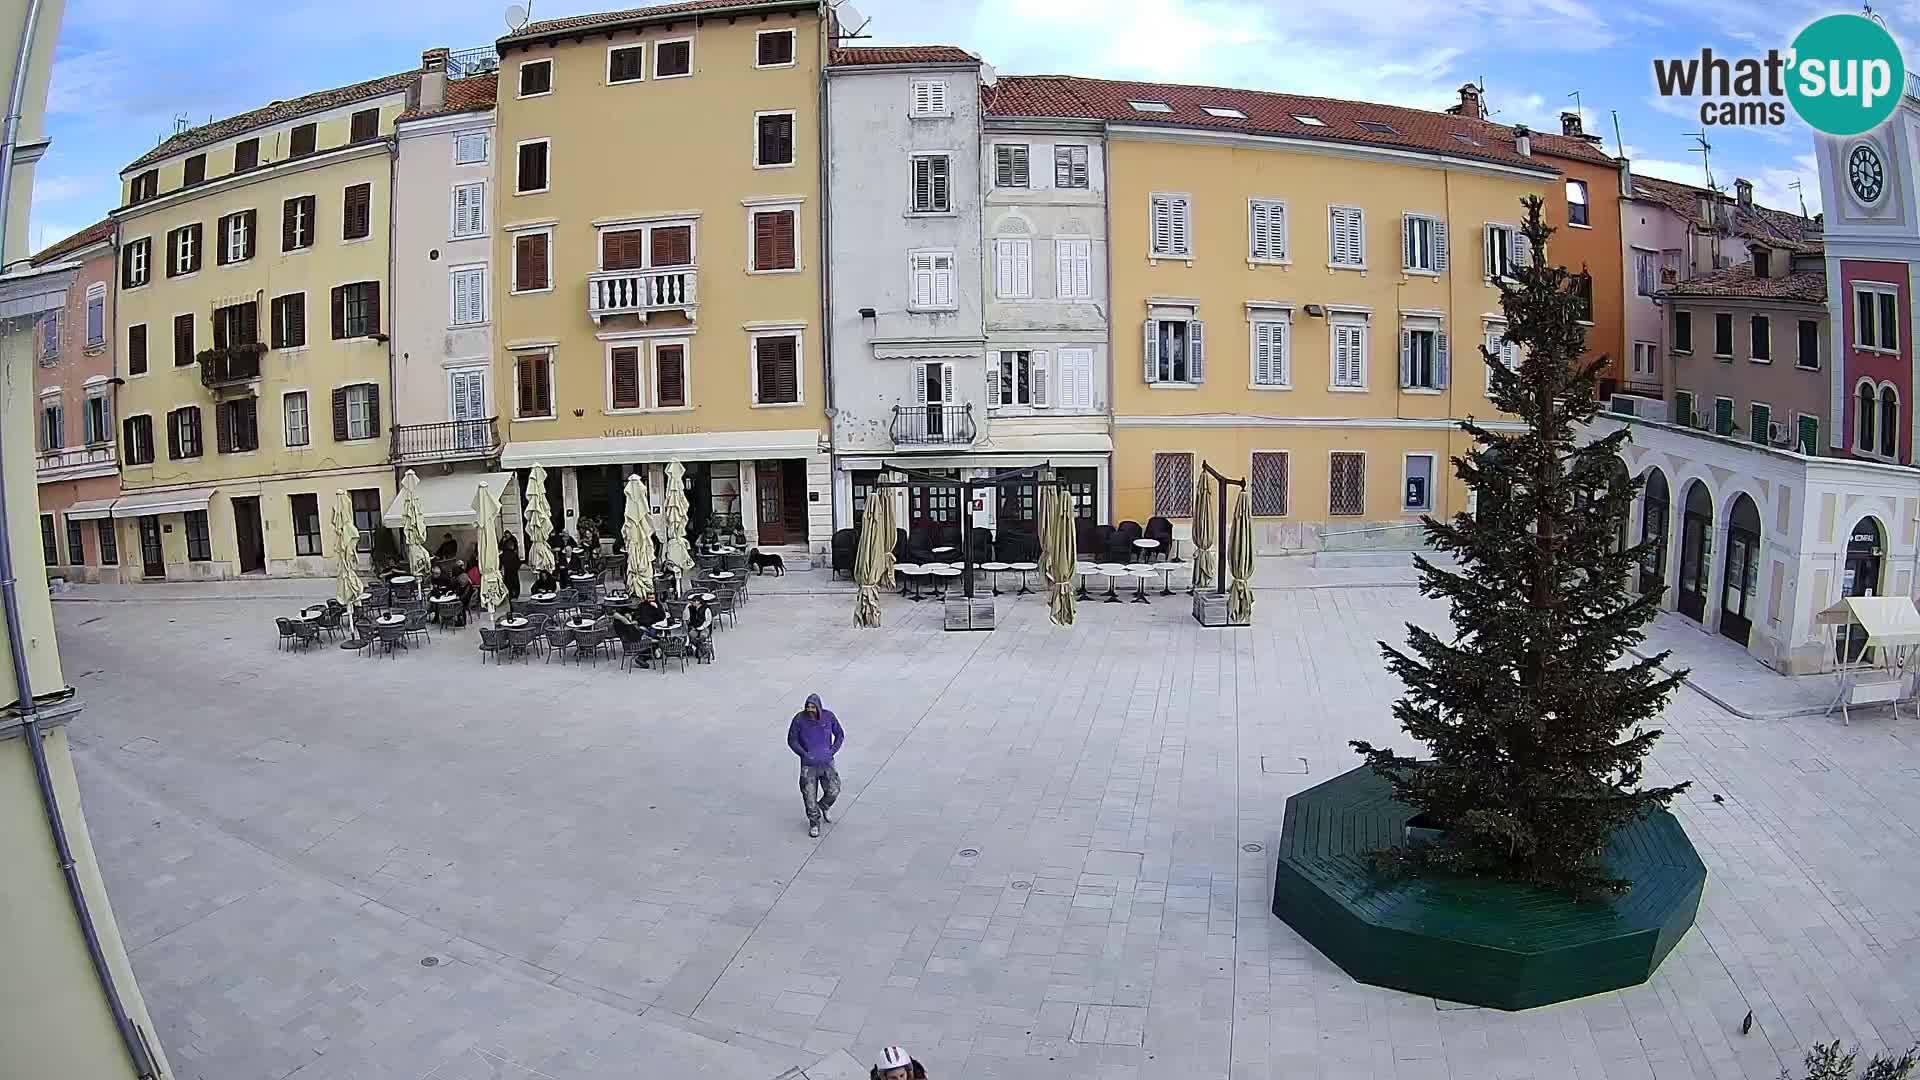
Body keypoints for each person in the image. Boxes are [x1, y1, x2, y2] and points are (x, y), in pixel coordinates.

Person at [786, 694, 844, 838]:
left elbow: (840, 734)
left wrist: (832, 751)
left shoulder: (828, 717)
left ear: (818, 707)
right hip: (809, 766)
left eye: (813, 707)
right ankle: (814, 822)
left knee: (834, 790)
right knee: (809, 796)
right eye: (808, 707)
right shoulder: (799, 720)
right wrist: (803, 754)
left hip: (827, 763)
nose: (810, 709)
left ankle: (824, 806)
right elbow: (792, 740)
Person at [501, 533, 523, 601]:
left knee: (512, 580)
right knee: (510, 581)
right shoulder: (506, 549)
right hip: (509, 566)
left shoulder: (512, 542)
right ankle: (512, 594)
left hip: (511, 566)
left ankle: (513, 594)